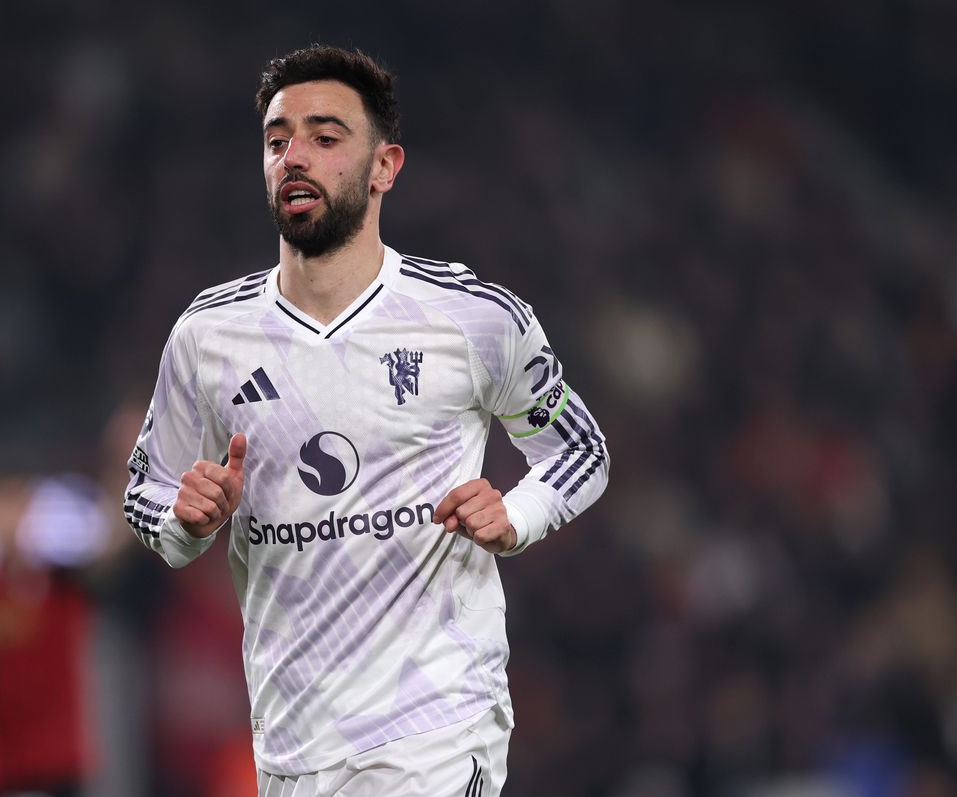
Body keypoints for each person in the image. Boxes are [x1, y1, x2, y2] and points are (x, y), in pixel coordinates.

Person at [124, 44, 609, 796]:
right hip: (292, 744)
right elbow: (145, 493)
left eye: (325, 137)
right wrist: (185, 522)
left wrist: (516, 516)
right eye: (278, 140)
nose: (294, 157)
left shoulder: (472, 318)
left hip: (437, 728)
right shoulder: (208, 337)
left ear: (385, 166)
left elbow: (580, 450)